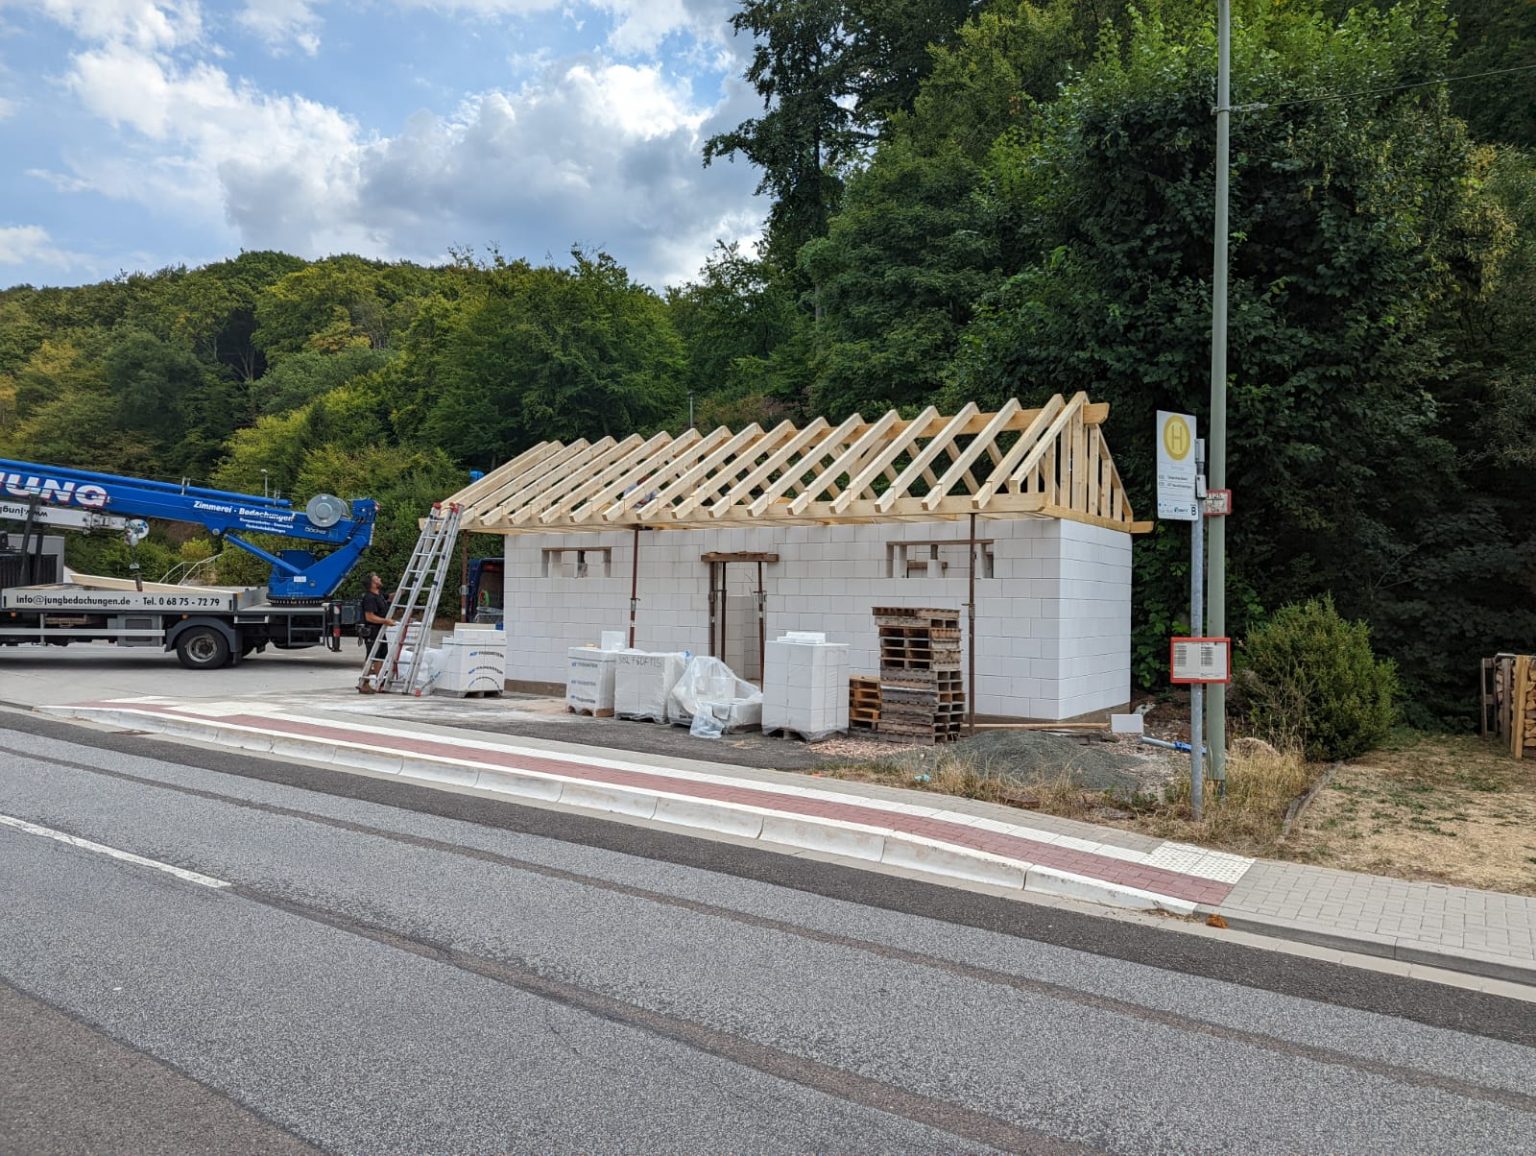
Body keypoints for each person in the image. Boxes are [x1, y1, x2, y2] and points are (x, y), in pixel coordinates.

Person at [357, 572, 397, 693]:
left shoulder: (379, 594)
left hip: (380, 630)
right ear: (373, 584)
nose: (380, 579)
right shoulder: (369, 598)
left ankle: (379, 683)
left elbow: (389, 597)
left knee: (380, 657)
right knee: (372, 657)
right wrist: (386, 621)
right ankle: (363, 683)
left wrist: (404, 590)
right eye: (377, 578)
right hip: (372, 631)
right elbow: (369, 617)